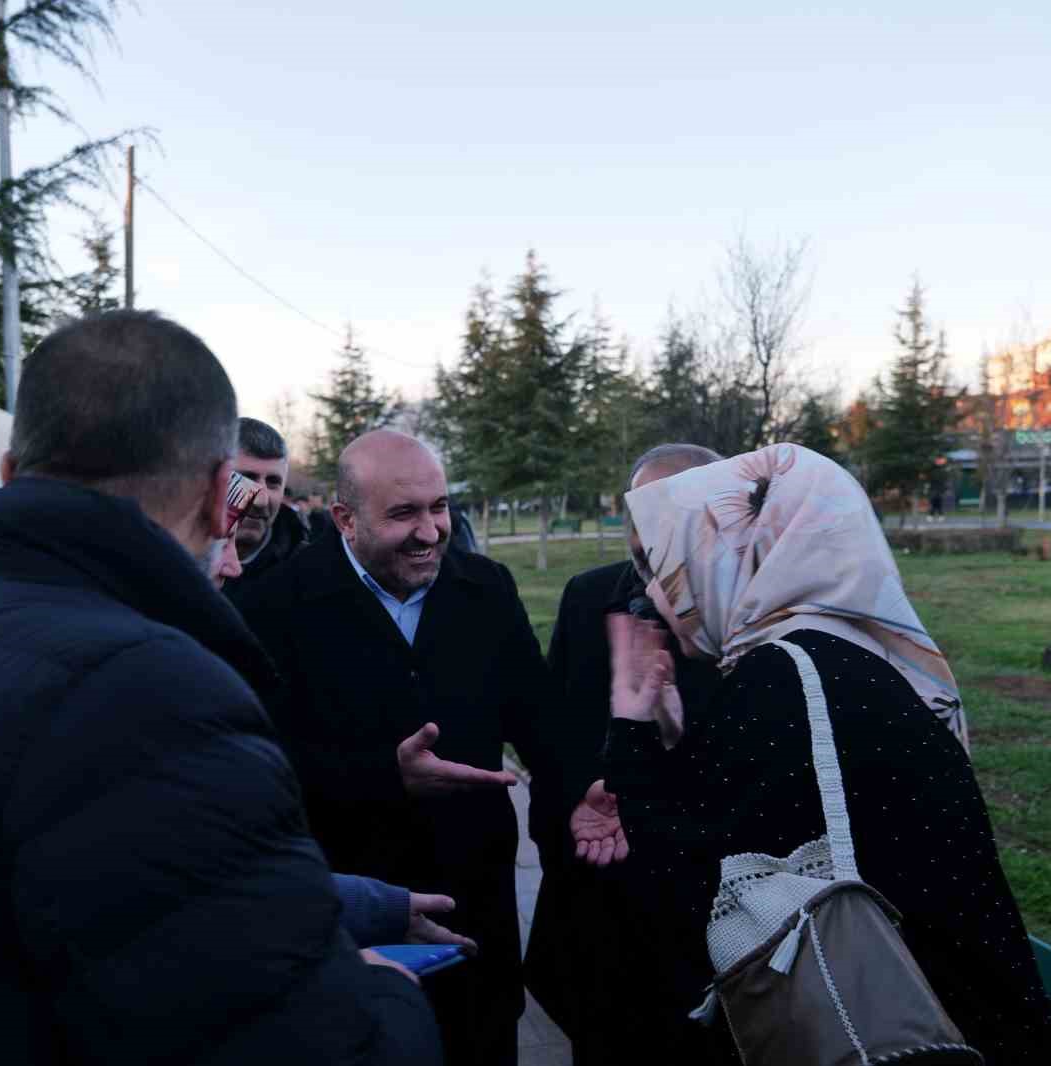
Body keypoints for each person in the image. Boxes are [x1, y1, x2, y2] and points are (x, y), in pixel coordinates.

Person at [0, 310, 441, 1066]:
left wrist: (363, 904)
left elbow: (124, 894)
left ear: (9, 474)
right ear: (216, 494)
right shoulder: (155, 693)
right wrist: (379, 990)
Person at [603, 442, 1051, 1064]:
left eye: (668, 568)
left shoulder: (779, 678)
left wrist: (632, 729)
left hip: (900, 1039)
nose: (656, 595)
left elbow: (690, 895)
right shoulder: (855, 653)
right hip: (977, 1022)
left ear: (730, 558)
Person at [234, 429, 549, 1066]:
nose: (431, 532)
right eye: (404, 514)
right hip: (352, 922)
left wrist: (583, 784)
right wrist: (384, 776)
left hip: (476, 911)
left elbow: (537, 720)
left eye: (439, 508)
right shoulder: (272, 607)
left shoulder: (487, 588)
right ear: (345, 519)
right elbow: (259, 772)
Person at [522, 442, 722, 1065]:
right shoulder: (589, 597)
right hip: (600, 900)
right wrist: (578, 797)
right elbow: (552, 730)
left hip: (705, 913)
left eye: (670, 518)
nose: (647, 539)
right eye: (639, 517)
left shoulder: (749, 617)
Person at [225, 416, 309, 590]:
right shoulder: (167, 561)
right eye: (246, 478)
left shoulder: (311, 574)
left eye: (273, 482)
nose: (261, 500)